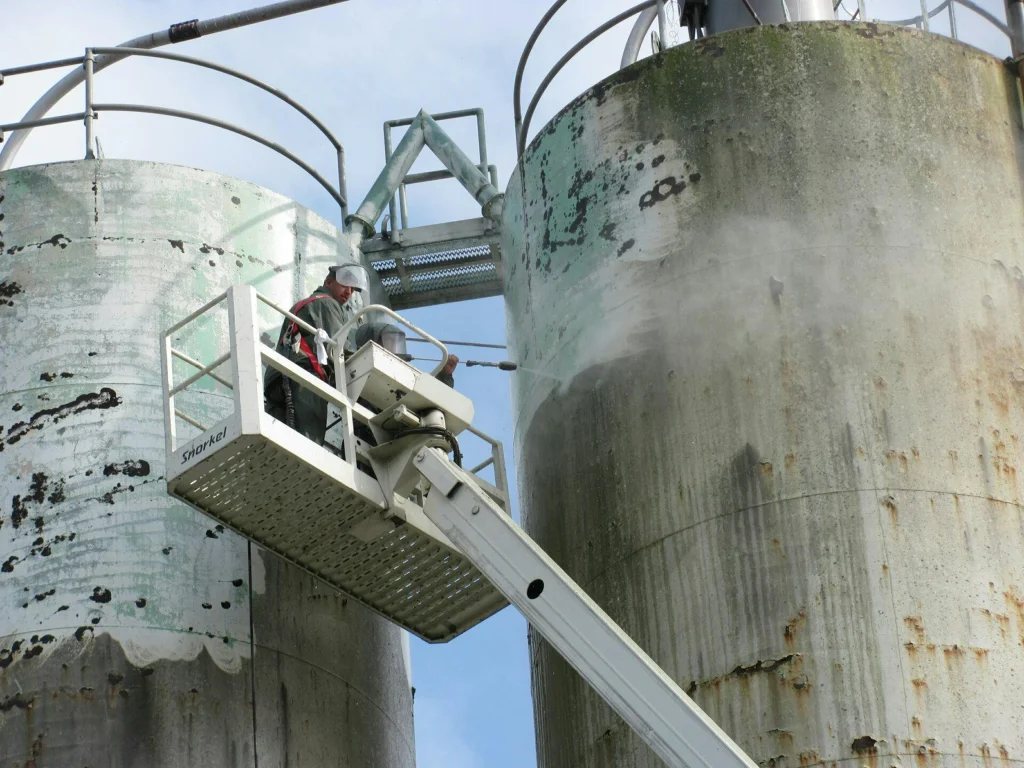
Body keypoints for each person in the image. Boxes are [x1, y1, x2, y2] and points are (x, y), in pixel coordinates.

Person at [264, 264, 458, 445]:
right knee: (306, 442)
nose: (349, 292)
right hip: (302, 378)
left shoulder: (317, 304)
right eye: (345, 286)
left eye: (353, 289)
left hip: (283, 376)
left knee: (279, 434)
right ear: (328, 282)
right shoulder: (326, 304)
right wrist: (365, 364)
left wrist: (444, 377)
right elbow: (339, 351)